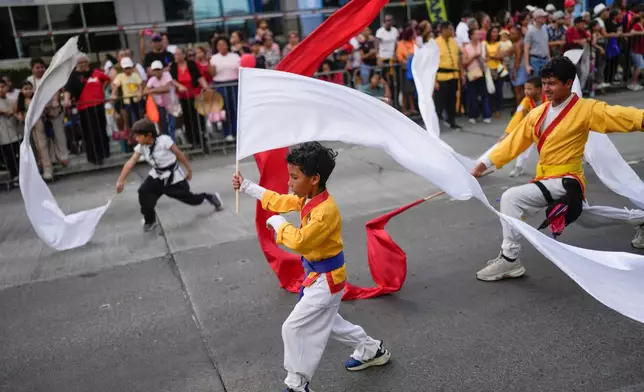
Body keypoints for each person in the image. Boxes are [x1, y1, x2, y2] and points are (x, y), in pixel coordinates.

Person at [232, 142, 391, 392]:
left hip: (326, 281)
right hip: (321, 277)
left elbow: (300, 241)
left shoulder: (325, 211)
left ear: (314, 178)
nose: (289, 183)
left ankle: (297, 384)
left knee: (293, 328)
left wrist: (278, 223)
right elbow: (281, 200)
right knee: (331, 323)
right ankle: (372, 349)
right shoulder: (309, 197)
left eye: (294, 177)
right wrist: (247, 186)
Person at [471, 57, 644, 281]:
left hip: (567, 179)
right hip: (547, 179)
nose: (546, 89)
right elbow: (513, 142)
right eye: (544, 83)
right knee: (587, 218)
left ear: (568, 83)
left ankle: (510, 259)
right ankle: (640, 218)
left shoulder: (586, 109)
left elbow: (619, 115)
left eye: (552, 83)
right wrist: (484, 164)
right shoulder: (537, 114)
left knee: (511, 198)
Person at [116, 119, 223, 232]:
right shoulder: (141, 146)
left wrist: (188, 169)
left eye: (138, 136)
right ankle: (150, 220)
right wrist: (120, 180)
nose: (136, 139)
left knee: (190, 199)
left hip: (172, 177)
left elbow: (179, 154)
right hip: (156, 176)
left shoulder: (164, 141)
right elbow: (130, 162)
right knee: (144, 192)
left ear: (149, 135)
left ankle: (210, 197)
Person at [64, 53, 112, 165]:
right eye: (80, 63)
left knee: (101, 129)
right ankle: (94, 156)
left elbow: (107, 79)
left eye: (84, 62)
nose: (83, 64)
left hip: (98, 104)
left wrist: (102, 90)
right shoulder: (74, 76)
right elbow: (68, 90)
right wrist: (67, 99)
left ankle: (104, 152)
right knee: (90, 132)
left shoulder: (95, 73)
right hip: (85, 107)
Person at [498, 76, 544, 177]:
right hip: (532, 129)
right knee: (523, 147)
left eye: (529, 89)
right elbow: (517, 116)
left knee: (547, 150)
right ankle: (519, 167)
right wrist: (506, 133)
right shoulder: (526, 100)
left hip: (547, 129)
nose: (526, 91)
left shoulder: (548, 99)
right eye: (525, 88)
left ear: (538, 89)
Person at [170, 47, 210, 148]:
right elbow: (172, 79)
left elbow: (199, 77)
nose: (177, 56)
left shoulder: (191, 64)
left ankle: (202, 138)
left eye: (179, 54)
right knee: (188, 118)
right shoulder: (174, 66)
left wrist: (206, 87)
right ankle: (192, 140)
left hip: (195, 94)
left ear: (184, 55)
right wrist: (179, 86)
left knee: (198, 117)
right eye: (175, 54)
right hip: (183, 96)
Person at [210, 37, 241, 142]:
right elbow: (212, 74)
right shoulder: (214, 58)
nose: (221, 47)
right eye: (219, 45)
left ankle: (237, 132)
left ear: (227, 45)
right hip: (221, 85)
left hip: (234, 84)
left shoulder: (235, 56)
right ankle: (227, 132)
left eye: (223, 44)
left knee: (235, 108)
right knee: (224, 109)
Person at [112, 57, 144, 151]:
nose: (128, 70)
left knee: (138, 121)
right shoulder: (120, 76)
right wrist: (114, 93)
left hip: (136, 101)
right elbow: (115, 86)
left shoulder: (135, 75)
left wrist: (140, 92)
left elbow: (140, 85)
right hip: (126, 103)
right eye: (126, 68)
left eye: (129, 68)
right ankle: (131, 141)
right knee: (128, 122)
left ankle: (139, 140)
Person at [435, 21, 461, 130]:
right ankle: (435, 124)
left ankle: (452, 121)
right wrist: (434, 80)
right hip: (441, 76)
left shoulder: (454, 42)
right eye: (450, 29)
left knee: (452, 100)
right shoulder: (435, 43)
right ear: (444, 30)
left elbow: (457, 58)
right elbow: (432, 63)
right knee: (440, 101)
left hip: (453, 75)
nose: (452, 31)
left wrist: (460, 74)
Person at [463, 28, 491, 124]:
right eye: (476, 34)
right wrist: (473, 57)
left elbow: (488, 56)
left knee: (484, 95)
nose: (478, 36)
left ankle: (486, 115)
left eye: (479, 34)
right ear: (471, 36)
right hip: (471, 73)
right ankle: (472, 115)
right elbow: (464, 63)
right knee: (472, 96)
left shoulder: (483, 45)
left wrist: (484, 59)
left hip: (481, 72)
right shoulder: (466, 47)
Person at [145, 60, 176, 140]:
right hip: (159, 104)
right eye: (155, 70)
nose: (157, 72)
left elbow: (166, 88)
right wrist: (156, 90)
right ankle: (167, 142)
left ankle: (173, 141)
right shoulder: (151, 80)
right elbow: (145, 91)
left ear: (162, 69)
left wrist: (153, 90)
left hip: (171, 103)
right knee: (163, 124)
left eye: (158, 69)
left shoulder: (167, 75)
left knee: (172, 124)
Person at [0, 78, 19, 185]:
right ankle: (13, 176)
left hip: (13, 132)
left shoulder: (11, 100)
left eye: (4, 87)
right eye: (0, 87)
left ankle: (19, 175)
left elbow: (15, 111)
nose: (2, 89)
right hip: (3, 135)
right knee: (8, 157)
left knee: (16, 155)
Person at [396, 27, 418, 116]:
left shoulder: (414, 42)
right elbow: (400, 58)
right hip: (405, 71)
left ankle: (412, 108)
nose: (414, 36)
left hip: (414, 70)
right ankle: (404, 109)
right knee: (405, 90)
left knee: (412, 90)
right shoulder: (401, 44)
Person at [524, 9, 551, 78]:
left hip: (545, 60)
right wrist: (527, 65)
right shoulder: (530, 31)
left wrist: (549, 59)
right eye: (543, 17)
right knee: (537, 83)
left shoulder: (544, 29)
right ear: (537, 18)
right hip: (535, 61)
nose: (545, 18)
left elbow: (546, 45)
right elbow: (526, 49)